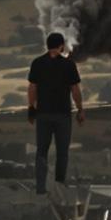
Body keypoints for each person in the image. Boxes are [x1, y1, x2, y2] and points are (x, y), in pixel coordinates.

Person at [25, 32, 85, 194]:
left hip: (43, 114)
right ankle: (59, 185)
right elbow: (75, 90)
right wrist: (80, 109)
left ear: (47, 45)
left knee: (41, 151)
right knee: (62, 152)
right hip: (63, 114)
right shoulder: (69, 65)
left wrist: (31, 108)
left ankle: (40, 187)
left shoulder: (37, 63)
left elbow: (32, 88)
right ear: (61, 46)